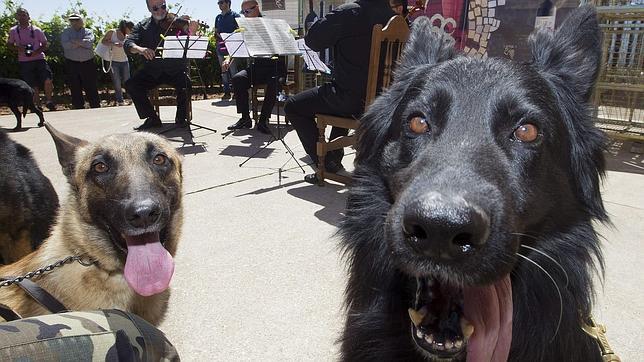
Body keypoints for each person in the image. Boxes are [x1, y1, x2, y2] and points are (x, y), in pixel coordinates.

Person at [284, 0, 395, 184]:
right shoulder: (394, 18)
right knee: (342, 95)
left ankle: (325, 162)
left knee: (293, 106)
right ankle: (334, 157)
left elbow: (313, 40)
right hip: (383, 103)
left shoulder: (349, 13)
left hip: (351, 101)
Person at [124, 0, 199, 130]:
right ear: (149, 9)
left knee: (186, 84)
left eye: (163, 6)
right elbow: (128, 43)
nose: (160, 10)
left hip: (175, 70)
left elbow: (191, 40)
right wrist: (140, 49)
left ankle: (181, 119)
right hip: (152, 70)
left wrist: (192, 32)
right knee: (132, 84)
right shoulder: (143, 26)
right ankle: (152, 118)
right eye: (155, 8)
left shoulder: (178, 22)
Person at [224, 0, 286, 134]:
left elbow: (282, 44)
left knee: (273, 83)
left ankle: (263, 120)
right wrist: (228, 59)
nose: (245, 15)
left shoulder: (269, 24)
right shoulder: (245, 27)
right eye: (243, 12)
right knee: (238, 78)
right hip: (258, 67)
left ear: (256, 8)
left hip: (275, 66)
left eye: (247, 11)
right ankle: (245, 118)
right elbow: (238, 44)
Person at [7, 8, 55, 110]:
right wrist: (19, 48)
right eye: (19, 15)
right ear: (16, 17)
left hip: (39, 59)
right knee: (32, 84)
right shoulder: (13, 31)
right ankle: (37, 105)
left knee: (48, 80)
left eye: (24, 15)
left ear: (28, 16)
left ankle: (49, 101)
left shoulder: (36, 30)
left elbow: (45, 44)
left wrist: (36, 52)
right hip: (24, 61)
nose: (22, 17)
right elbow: (9, 45)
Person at [60, 13, 100, 109]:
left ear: (82, 21)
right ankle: (78, 106)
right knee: (74, 85)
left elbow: (89, 43)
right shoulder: (66, 32)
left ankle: (95, 105)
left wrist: (74, 41)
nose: (75, 22)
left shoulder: (88, 31)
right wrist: (81, 42)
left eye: (77, 20)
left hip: (87, 62)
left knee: (91, 85)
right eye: (72, 20)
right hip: (72, 62)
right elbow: (66, 45)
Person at [100, 20, 135, 106]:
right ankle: (120, 101)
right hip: (113, 61)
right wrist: (114, 43)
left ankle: (131, 99)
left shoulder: (128, 35)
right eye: (130, 29)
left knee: (128, 81)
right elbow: (103, 41)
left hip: (124, 60)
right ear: (125, 27)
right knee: (117, 82)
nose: (131, 30)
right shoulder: (112, 32)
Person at [214, 0, 240, 100]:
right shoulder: (218, 17)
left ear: (228, 3)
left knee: (233, 70)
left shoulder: (235, 15)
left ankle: (236, 92)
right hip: (220, 46)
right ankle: (226, 92)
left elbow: (239, 29)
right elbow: (216, 31)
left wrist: (229, 36)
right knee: (223, 70)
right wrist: (218, 35)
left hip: (232, 47)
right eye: (219, 3)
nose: (219, 5)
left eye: (221, 2)